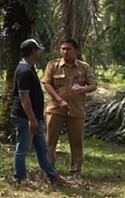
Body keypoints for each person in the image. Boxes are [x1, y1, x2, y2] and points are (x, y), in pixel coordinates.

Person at [11, 38, 65, 186]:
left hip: (33, 116)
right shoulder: (24, 71)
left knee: (42, 148)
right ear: (33, 52)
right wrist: (31, 119)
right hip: (25, 117)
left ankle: (53, 176)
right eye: (38, 51)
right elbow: (23, 96)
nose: (39, 53)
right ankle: (20, 178)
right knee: (22, 148)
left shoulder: (29, 68)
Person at [42, 38, 97, 178]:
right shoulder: (53, 66)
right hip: (55, 109)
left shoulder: (84, 67)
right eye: (63, 49)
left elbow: (93, 85)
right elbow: (47, 84)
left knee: (77, 142)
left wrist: (83, 89)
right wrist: (59, 100)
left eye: (68, 49)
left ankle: (75, 170)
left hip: (76, 110)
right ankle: (50, 169)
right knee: (50, 141)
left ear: (76, 51)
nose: (65, 52)